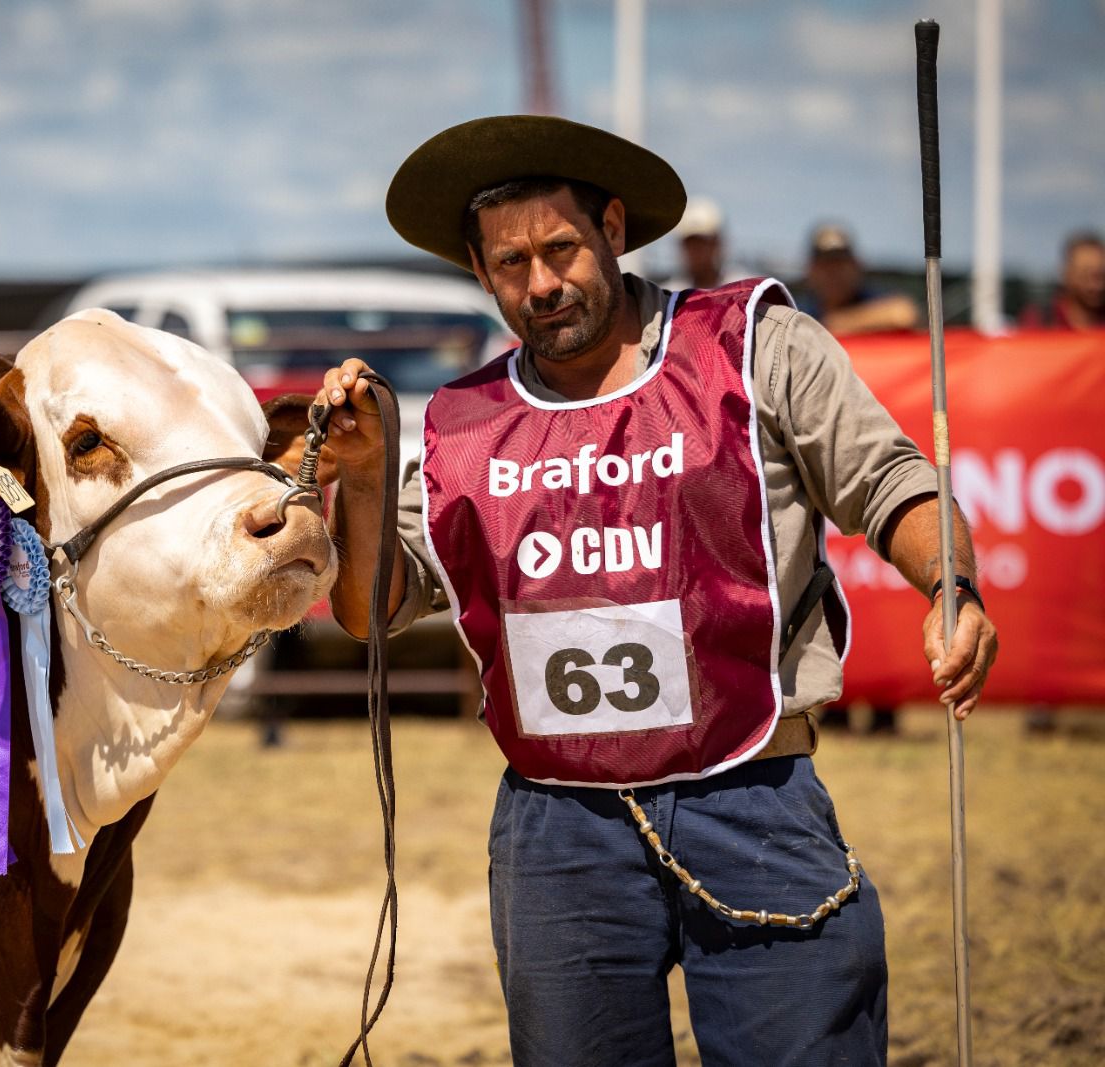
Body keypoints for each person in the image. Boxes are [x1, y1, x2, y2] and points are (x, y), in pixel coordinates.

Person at [315, 115, 998, 1066]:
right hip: (557, 829)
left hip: (754, 793)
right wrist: (355, 481)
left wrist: (950, 584)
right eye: (511, 264)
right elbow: (370, 609)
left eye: (560, 248)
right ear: (480, 273)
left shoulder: (756, 346)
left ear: (614, 228)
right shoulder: (460, 427)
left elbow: (891, 482)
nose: (542, 283)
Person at [803, 223, 922, 334]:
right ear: (810, 271)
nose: (833, 274)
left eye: (840, 265)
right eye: (825, 266)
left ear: (857, 266)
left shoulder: (871, 299)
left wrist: (835, 323)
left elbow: (903, 314)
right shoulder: (800, 309)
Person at [659, 197, 752, 292]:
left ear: (717, 243)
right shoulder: (669, 296)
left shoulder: (744, 290)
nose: (695, 252)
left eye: (702, 243)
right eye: (690, 244)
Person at [1022, 230, 1105, 330]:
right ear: (1066, 273)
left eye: (1100, 275)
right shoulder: (1039, 320)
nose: (1096, 285)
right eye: (1085, 275)